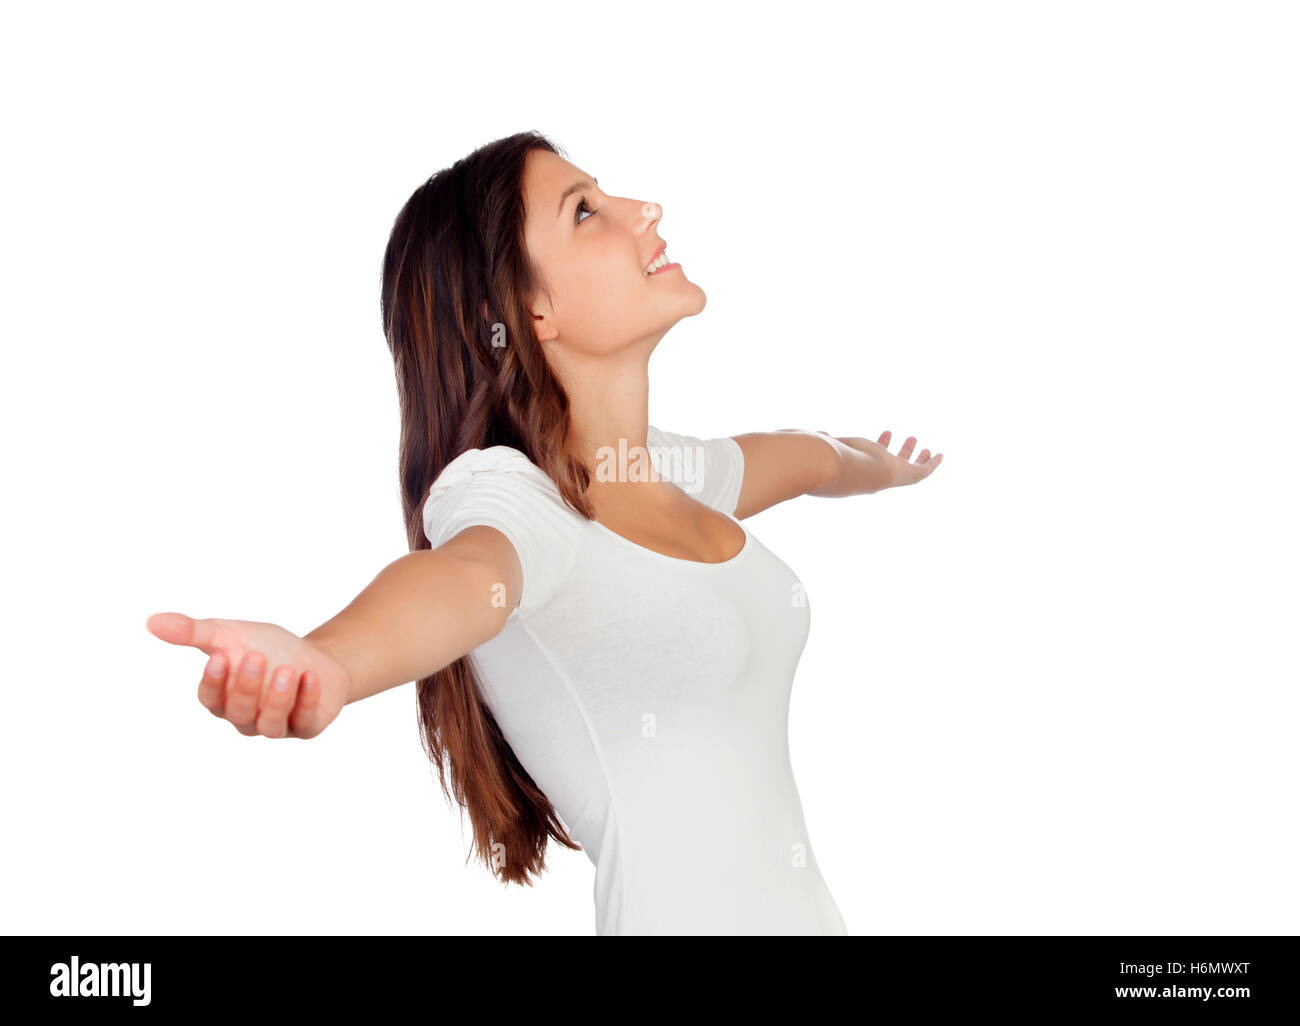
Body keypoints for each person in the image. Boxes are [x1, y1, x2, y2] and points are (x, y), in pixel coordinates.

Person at [146, 130, 943, 935]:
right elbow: (456, 579)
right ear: (529, 311)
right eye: (586, 212)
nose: (643, 210)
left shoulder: (660, 470)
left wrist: (882, 466)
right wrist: (330, 661)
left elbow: (810, 460)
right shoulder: (514, 502)